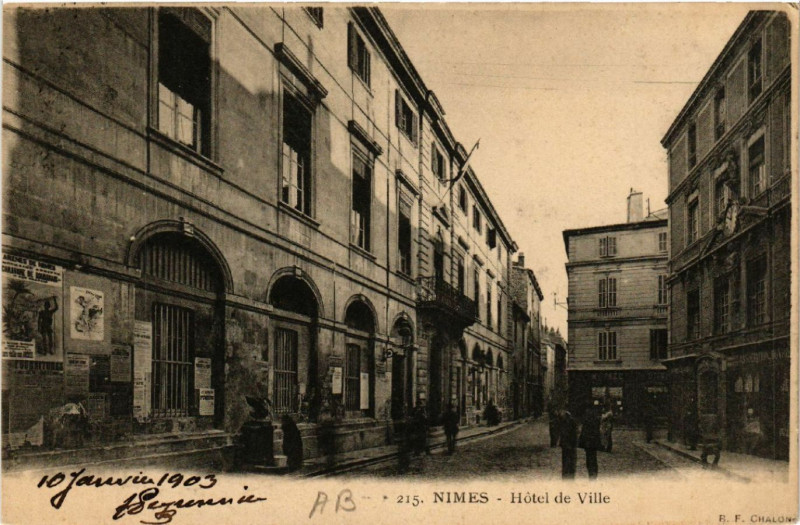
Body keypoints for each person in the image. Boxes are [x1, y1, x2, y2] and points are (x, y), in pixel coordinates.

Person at [579, 400, 603, 479]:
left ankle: (591, 474)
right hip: (593, 440)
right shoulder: (595, 415)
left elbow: (584, 429)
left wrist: (581, 441)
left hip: (588, 440)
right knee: (593, 457)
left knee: (589, 458)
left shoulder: (587, 415)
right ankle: (593, 474)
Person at [558, 408, 578, 479]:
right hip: (569, 444)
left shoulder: (565, 418)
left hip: (566, 443)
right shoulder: (570, 419)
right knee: (570, 461)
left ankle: (566, 476)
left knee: (567, 461)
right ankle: (569, 476)